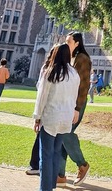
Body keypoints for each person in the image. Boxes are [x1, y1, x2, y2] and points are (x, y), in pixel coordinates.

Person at [27, 32, 91, 188]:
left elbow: (82, 88)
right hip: (65, 113)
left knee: (53, 147)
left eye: (69, 41)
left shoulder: (79, 61)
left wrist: (76, 108)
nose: (66, 43)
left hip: (62, 112)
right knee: (57, 147)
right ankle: (59, 176)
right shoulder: (70, 68)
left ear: (77, 43)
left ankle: (79, 165)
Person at [33, 43, 79, 191]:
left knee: (45, 155)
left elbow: (42, 98)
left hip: (51, 117)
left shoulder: (51, 72)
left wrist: (37, 117)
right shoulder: (74, 74)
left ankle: (45, 188)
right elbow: (74, 97)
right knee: (56, 153)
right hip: (65, 119)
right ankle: (50, 185)